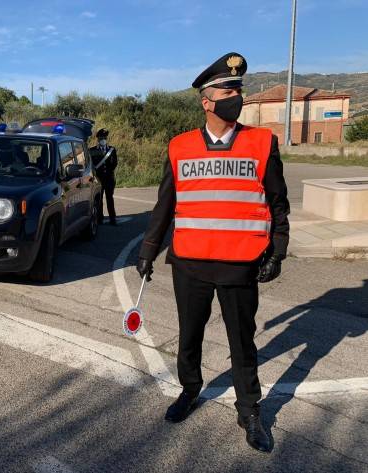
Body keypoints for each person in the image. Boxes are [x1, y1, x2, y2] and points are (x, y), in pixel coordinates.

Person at [136, 52, 290, 453]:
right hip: (189, 263)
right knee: (190, 336)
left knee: (243, 341)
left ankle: (250, 411)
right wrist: (148, 250)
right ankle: (190, 390)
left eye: (238, 89)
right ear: (206, 100)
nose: (235, 95)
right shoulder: (179, 146)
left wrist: (278, 251)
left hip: (240, 264)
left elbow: (278, 204)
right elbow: (164, 205)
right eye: (227, 89)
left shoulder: (261, 143)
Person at [89, 128, 118, 225]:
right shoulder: (92, 150)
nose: (103, 140)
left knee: (110, 199)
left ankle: (112, 219)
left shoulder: (112, 150)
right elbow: (92, 164)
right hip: (99, 179)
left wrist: (108, 172)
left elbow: (115, 163)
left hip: (109, 179)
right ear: (98, 139)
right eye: (101, 138)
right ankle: (99, 218)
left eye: (104, 138)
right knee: (99, 199)